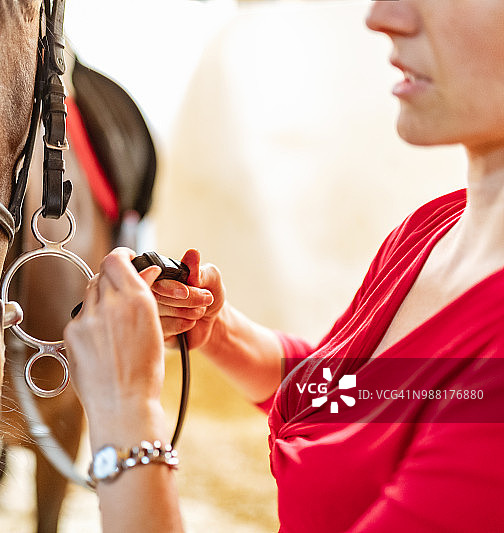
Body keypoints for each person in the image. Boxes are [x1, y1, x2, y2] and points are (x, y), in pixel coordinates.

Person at [63, 1, 504, 532]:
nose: (382, 17)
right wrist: (222, 334)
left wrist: (125, 413)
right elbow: (353, 396)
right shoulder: (429, 229)